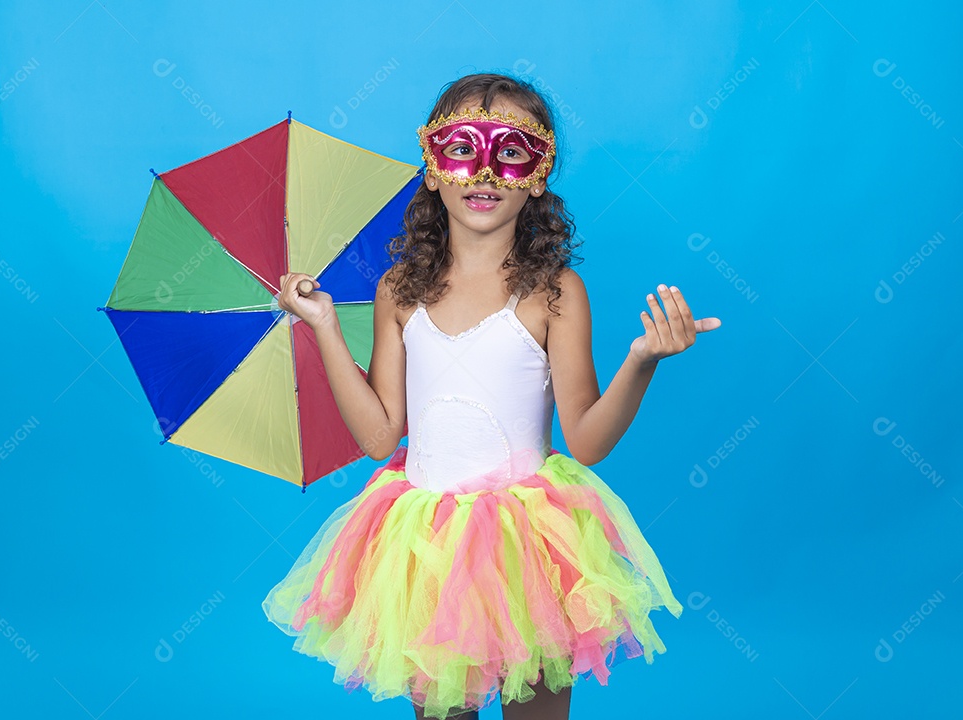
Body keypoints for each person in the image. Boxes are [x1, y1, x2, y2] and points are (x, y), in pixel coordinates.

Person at [263, 72, 722, 720]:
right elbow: (377, 439)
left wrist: (641, 361)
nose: (484, 171)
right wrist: (326, 328)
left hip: (528, 548)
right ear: (431, 168)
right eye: (461, 149)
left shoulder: (555, 293)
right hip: (426, 549)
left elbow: (587, 442)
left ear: (538, 175)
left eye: (509, 151)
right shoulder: (400, 290)